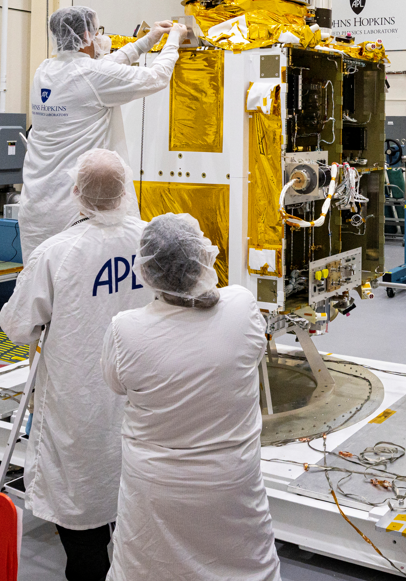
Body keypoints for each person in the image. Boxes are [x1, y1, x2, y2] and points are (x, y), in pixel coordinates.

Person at [101, 213, 280, 581]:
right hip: (230, 482)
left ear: (146, 270)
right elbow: (254, 352)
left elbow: (117, 384)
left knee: (149, 568)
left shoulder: (126, 330)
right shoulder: (242, 306)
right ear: (204, 256)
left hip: (156, 488)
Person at [0, 149, 150, 581]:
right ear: (125, 190)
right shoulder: (151, 240)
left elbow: (17, 326)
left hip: (78, 393)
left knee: (79, 488)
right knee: (131, 485)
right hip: (140, 389)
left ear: (76, 193)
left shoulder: (56, 252)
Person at [18, 6, 187, 261]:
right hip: (76, 212)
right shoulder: (91, 75)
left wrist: (148, 40)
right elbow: (157, 77)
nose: (100, 38)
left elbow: (103, 69)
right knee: (79, 287)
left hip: (38, 206)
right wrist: (174, 40)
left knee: (43, 286)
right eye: (97, 32)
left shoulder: (45, 70)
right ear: (86, 35)